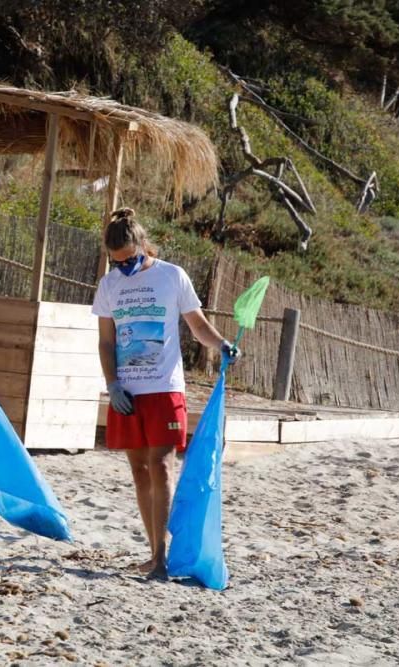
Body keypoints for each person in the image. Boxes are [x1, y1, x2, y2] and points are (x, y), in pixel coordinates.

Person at [92, 208, 240, 579]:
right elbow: (106, 342)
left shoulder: (172, 276)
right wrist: (112, 383)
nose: (123, 266)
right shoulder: (109, 285)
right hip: (128, 390)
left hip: (164, 388)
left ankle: (162, 556)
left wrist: (221, 344)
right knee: (140, 471)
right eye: (116, 262)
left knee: (161, 465)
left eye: (128, 259)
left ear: (142, 245)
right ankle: (153, 549)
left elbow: (197, 325)